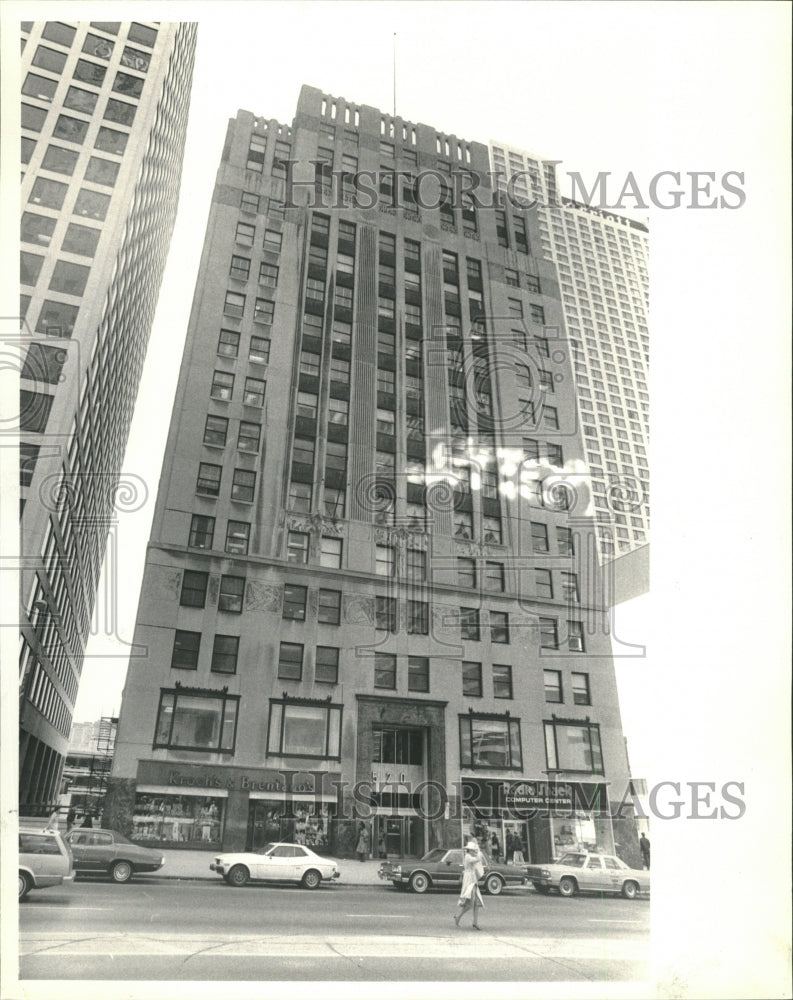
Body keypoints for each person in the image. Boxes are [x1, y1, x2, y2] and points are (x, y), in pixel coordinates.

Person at [454, 840, 485, 930]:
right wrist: (479, 853)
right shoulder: (467, 856)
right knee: (470, 904)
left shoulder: (470, 856)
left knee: (476, 902)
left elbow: (477, 865)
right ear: (469, 850)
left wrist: (478, 853)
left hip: (472, 879)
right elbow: (476, 860)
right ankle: (458, 917)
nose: (473, 851)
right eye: (472, 850)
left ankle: (475, 922)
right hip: (469, 880)